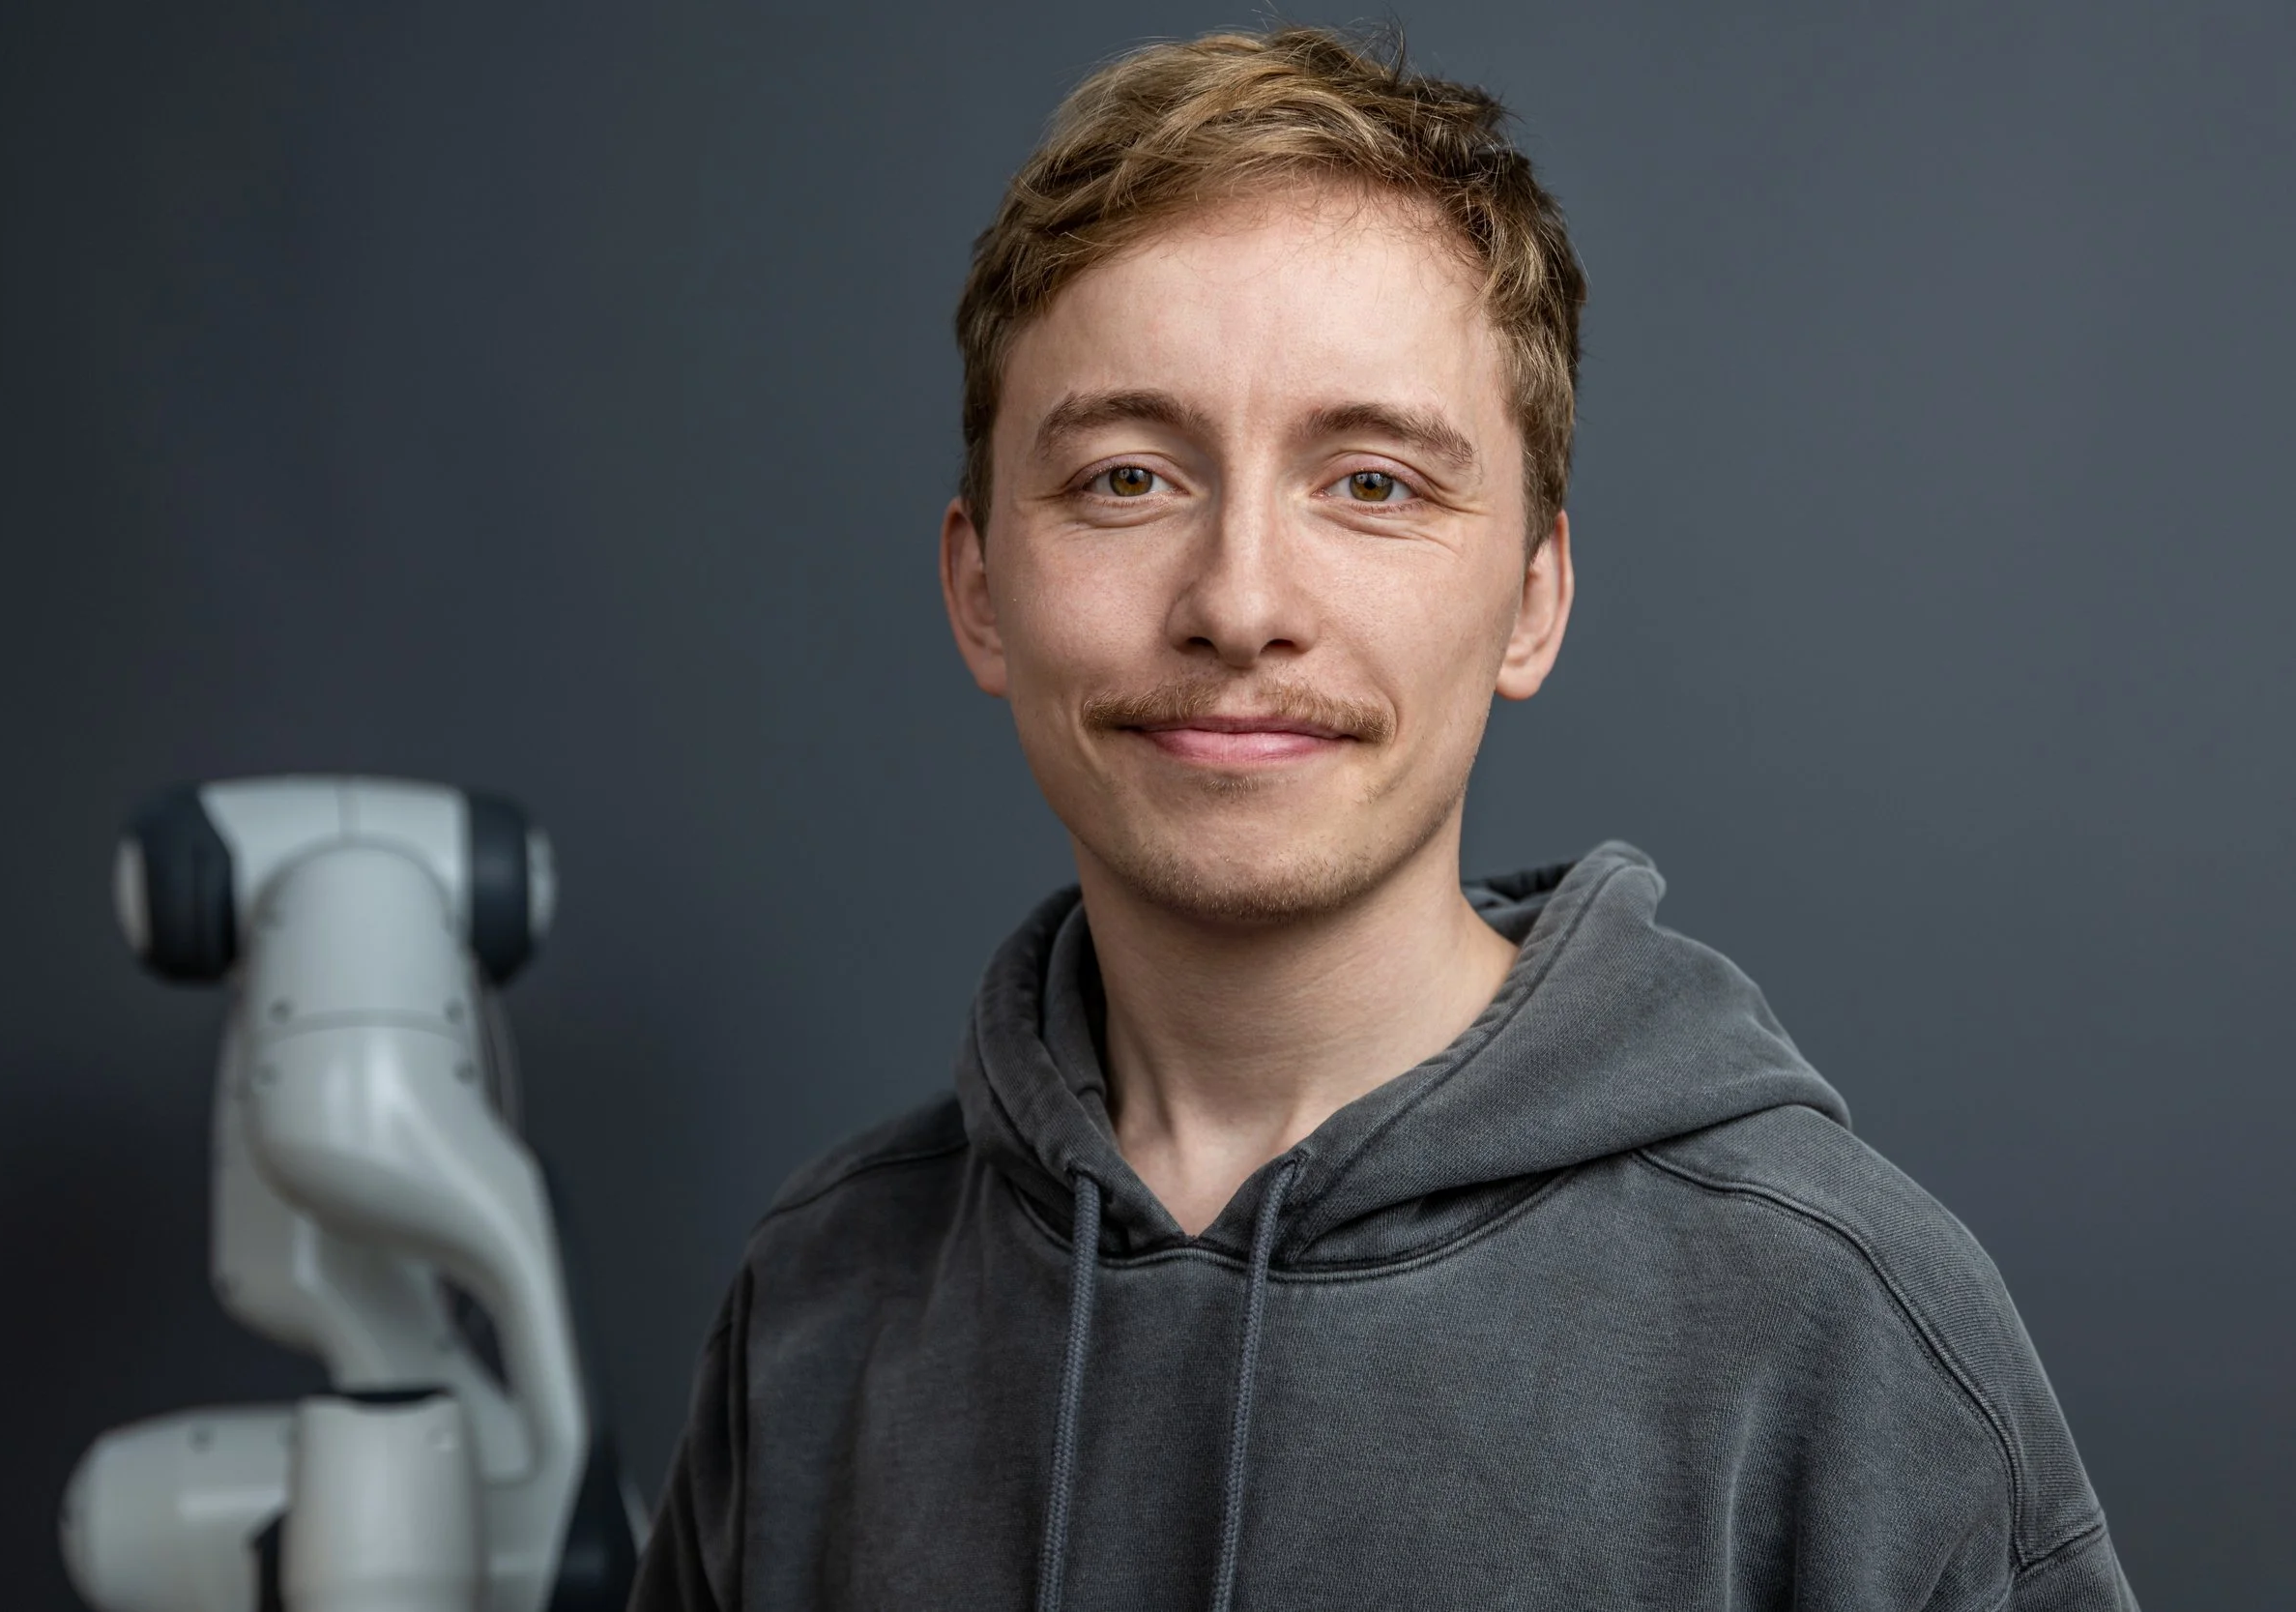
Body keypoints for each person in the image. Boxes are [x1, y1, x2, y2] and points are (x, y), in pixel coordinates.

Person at [630, 26, 2136, 1611]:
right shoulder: (817, 1306)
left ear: (1532, 601)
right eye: (1129, 479)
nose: (1240, 602)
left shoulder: (1837, 1331)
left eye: (1374, 485)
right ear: (978, 585)